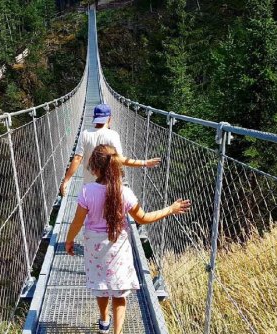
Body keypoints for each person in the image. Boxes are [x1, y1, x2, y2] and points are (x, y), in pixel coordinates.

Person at [65, 145, 191, 334]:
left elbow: (77, 222)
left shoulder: (86, 191)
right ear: (117, 166)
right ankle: (117, 332)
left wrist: (69, 240)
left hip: (94, 247)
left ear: (94, 168)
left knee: (101, 286)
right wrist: (170, 209)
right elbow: (144, 218)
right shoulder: (125, 193)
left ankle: (104, 320)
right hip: (118, 247)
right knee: (119, 292)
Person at [60, 103, 161, 196]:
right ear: (109, 119)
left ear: (94, 118)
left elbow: (77, 158)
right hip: (108, 186)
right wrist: (144, 163)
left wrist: (66, 180)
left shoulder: (85, 134)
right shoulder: (113, 135)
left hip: (89, 187)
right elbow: (120, 160)